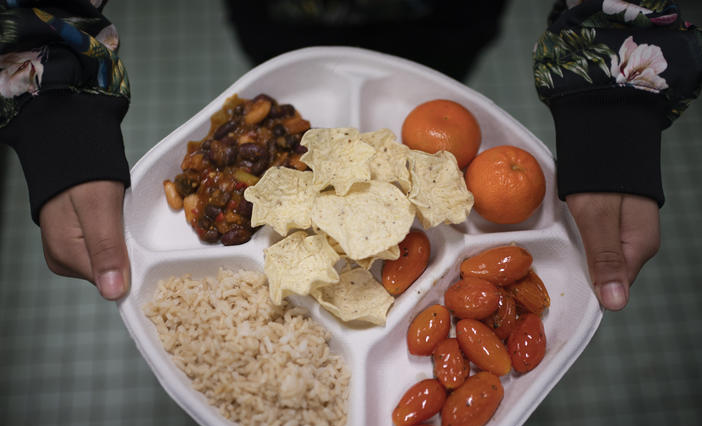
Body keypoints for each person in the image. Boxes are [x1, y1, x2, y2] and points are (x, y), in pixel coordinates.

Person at [1, 0, 700, 311]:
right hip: (281, 13)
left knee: (442, 62)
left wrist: (613, 85)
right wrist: (52, 95)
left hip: (450, 13)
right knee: (274, 57)